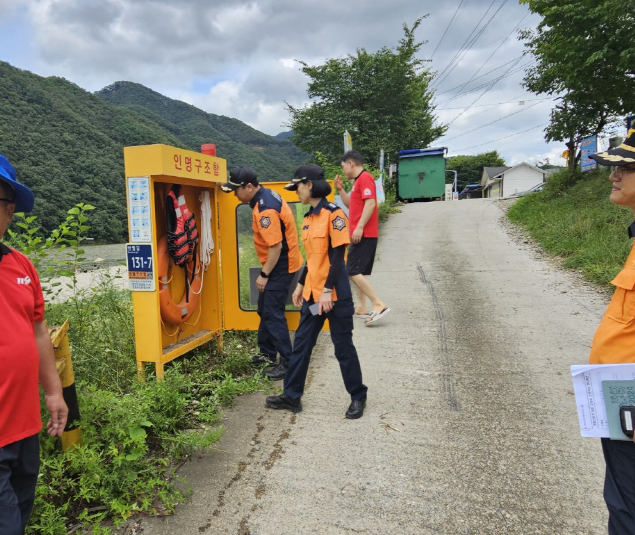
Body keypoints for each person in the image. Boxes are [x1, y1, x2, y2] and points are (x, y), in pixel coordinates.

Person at [0, 153, 68, 535]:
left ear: (9, 213)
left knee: (21, 513)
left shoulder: (22, 266)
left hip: (24, 426)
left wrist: (54, 393)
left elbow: (39, 332)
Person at [265, 164, 368, 419]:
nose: (296, 192)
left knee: (342, 347)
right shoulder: (309, 218)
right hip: (313, 298)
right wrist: (301, 284)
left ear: (309, 185)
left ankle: (358, 396)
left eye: (297, 187)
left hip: (335, 298)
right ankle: (291, 396)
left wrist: (327, 290)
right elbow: (312, 258)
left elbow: (336, 256)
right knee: (301, 344)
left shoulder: (334, 214)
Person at [588, 129, 635, 535]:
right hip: (621, 400)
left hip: (631, 406)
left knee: (626, 511)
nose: (612, 175)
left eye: (624, 167)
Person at [221, 167, 302, 380]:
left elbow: (275, 246)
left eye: (236, 190)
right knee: (264, 309)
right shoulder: (264, 197)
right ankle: (267, 353)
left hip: (280, 266)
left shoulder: (265, 209)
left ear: (249, 187)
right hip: (278, 263)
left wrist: (264, 275)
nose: (235, 194)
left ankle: (287, 361)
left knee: (273, 313)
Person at [334, 150, 390, 326]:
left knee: (352, 270)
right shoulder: (358, 182)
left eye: (343, 167)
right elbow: (351, 204)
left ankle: (377, 303)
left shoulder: (365, 178)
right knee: (358, 270)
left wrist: (359, 227)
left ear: (351, 163)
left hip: (364, 233)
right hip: (360, 233)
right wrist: (341, 190)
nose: (343, 171)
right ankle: (361, 307)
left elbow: (371, 203)